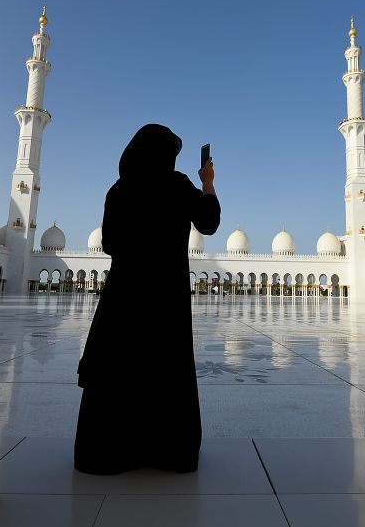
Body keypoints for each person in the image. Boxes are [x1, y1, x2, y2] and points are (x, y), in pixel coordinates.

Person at [74, 124, 221, 475]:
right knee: (165, 366)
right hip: (165, 296)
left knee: (118, 365)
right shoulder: (177, 185)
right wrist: (208, 182)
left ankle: (110, 451)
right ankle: (168, 451)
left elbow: (108, 244)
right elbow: (209, 223)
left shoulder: (119, 190)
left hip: (125, 294)